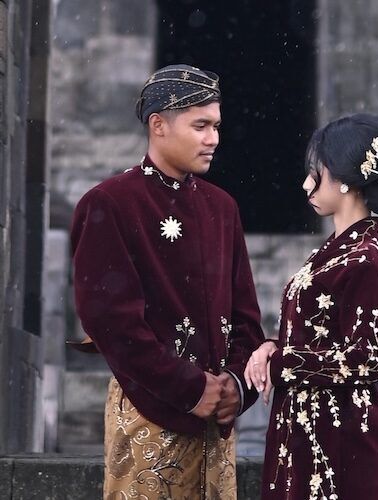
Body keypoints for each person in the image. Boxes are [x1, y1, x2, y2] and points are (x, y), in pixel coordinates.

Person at [70, 64, 265, 499]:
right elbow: (110, 322)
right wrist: (190, 388)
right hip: (148, 412)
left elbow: (246, 315)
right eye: (200, 126)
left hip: (217, 424)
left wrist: (236, 385)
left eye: (216, 126)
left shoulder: (222, 207)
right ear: (158, 125)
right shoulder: (110, 203)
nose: (213, 139)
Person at [245, 113, 378, 500]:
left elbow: (368, 358)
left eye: (317, 172)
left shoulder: (366, 260)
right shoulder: (331, 254)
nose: (307, 183)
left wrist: (281, 363)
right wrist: (271, 347)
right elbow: (316, 335)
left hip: (341, 441)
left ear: (343, 179)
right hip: (305, 434)